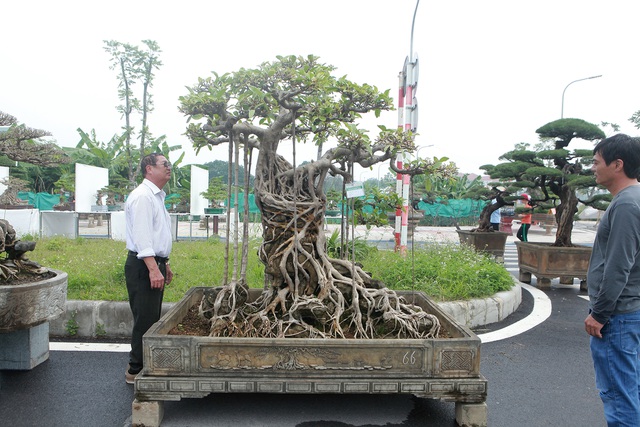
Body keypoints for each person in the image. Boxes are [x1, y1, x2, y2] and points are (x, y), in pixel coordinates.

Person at [584, 134, 640, 426]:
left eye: (596, 162)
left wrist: (600, 313)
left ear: (617, 164)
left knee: (620, 397)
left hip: (618, 317)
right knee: (632, 392)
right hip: (631, 312)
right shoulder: (634, 199)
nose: (593, 168)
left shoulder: (627, 206)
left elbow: (619, 266)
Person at [124, 153, 174, 384]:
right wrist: (154, 269)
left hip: (155, 263)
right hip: (144, 265)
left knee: (152, 317)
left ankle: (145, 364)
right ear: (148, 169)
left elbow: (157, 235)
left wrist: (165, 264)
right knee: (144, 318)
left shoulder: (157, 197)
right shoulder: (143, 197)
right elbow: (142, 237)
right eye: (164, 164)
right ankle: (136, 370)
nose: (169, 168)